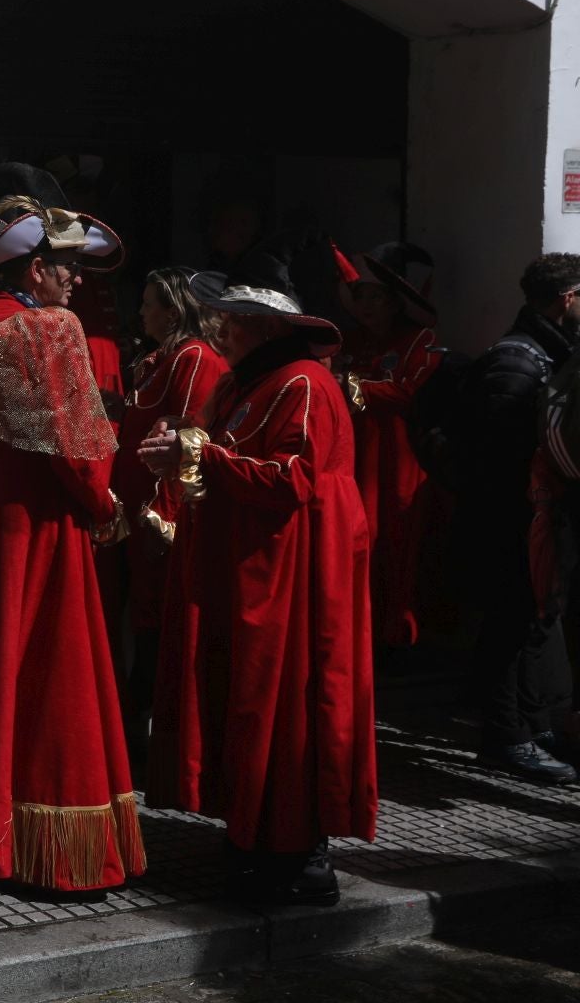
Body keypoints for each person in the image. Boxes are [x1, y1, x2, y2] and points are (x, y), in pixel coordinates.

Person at [0, 195, 146, 894]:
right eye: (66, 265)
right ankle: (45, 849)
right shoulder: (45, 327)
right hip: (38, 531)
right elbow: (74, 449)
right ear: (34, 268)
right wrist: (110, 502)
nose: (75, 280)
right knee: (51, 677)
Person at [141, 257, 376, 904]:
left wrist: (199, 454)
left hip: (293, 584)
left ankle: (297, 856)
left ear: (269, 328)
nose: (223, 328)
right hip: (255, 574)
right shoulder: (252, 381)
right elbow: (227, 455)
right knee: (249, 706)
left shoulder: (300, 382)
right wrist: (187, 448)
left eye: (237, 321)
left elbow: (291, 478)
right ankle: (255, 840)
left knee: (286, 711)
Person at [453, 253, 580, 784]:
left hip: (529, 518)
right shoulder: (518, 361)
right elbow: (497, 456)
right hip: (510, 520)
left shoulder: (543, 353)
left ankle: (528, 725)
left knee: (528, 624)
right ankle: (505, 738)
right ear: (567, 299)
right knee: (506, 626)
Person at [111, 268, 226, 742]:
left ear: (174, 310)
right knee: (140, 614)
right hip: (137, 508)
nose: (140, 312)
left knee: (157, 618)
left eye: (149, 303)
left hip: (158, 513)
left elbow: (188, 441)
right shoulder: (163, 357)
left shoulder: (195, 357)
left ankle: (152, 723)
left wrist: (167, 513)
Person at [333, 243, 443, 650]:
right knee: (358, 538)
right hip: (356, 456)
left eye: (376, 297)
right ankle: (358, 632)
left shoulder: (419, 341)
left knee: (397, 540)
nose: (367, 305)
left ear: (396, 303)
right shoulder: (350, 340)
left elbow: (409, 391)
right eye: (361, 296)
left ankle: (397, 634)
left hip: (398, 459)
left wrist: (350, 386)